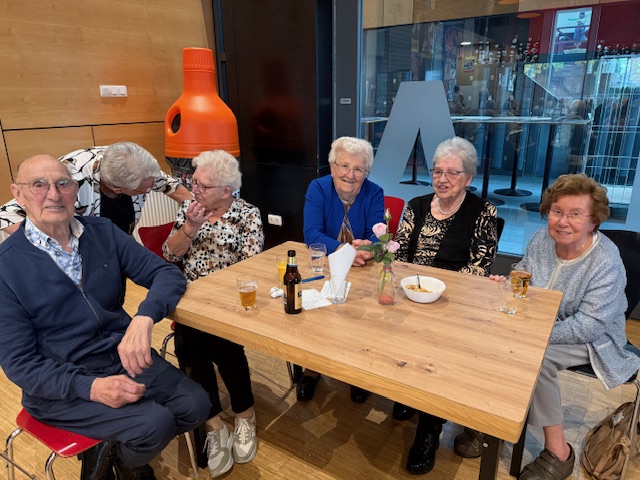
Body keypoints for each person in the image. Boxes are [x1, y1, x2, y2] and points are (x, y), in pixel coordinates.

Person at [0, 154, 211, 480]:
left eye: (63, 183)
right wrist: (92, 388)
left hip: (121, 357)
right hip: (63, 384)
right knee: (154, 424)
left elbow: (166, 274)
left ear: (75, 189)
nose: (54, 194)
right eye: (39, 185)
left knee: (196, 404)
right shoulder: (6, 266)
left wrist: (143, 318)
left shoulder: (102, 231)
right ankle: (129, 465)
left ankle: (118, 456)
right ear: (19, 194)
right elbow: (21, 364)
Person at [492, 174, 640, 480]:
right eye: (557, 211)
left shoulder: (605, 260)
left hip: (594, 338)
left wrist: (534, 335)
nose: (562, 221)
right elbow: (523, 275)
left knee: (537, 358)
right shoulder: (540, 240)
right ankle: (496, 423)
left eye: (575, 214)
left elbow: (589, 326)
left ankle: (559, 452)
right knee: (496, 339)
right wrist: (506, 284)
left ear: (593, 221)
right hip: (541, 323)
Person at [393, 136, 499, 475]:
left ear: (468, 177)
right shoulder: (416, 205)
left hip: (455, 304)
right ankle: (407, 394)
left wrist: (436, 294)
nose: (442, 179)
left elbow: (479, 268)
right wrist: (412, 288)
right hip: (412, 294)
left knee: (436, 353)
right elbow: (399, 255)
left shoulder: (483, 212)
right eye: (437, 171)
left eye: (452, 173)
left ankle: (429, 430)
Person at [162, 150, 264, 479]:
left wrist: (216, 298)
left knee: (222, 345)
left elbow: (251, 266)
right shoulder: (189, 210)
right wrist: (190, 227)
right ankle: (214, 424)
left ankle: (244, 414)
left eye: (203, 185)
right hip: (192, 299)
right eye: (193, 181)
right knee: (189, 346)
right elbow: (169, 254)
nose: (194, 188)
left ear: (225, 190)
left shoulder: (247, 214)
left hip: (229, 302)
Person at [299, 136, 385, 403]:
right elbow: (311, 233)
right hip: (324, 266)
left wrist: (367, 248)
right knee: (317, 316)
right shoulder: (318, 188)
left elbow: (378, 237)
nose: (350, 174)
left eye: (358, 169)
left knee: (361, 317)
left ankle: (357, 373)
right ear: (333, 166)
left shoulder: (374, 192)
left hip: (362, 270)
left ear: (366, 172)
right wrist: (344, 250)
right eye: (344, 166)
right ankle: (312, 368)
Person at [0, 141, 193, 235]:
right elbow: (5, 215)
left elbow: (171, 187)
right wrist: (53, 242)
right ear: (118, 189)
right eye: (143, 191)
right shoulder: (70, 178)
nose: (152, 189)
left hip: (118, 239)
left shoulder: (136, 165)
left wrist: (196, 210)